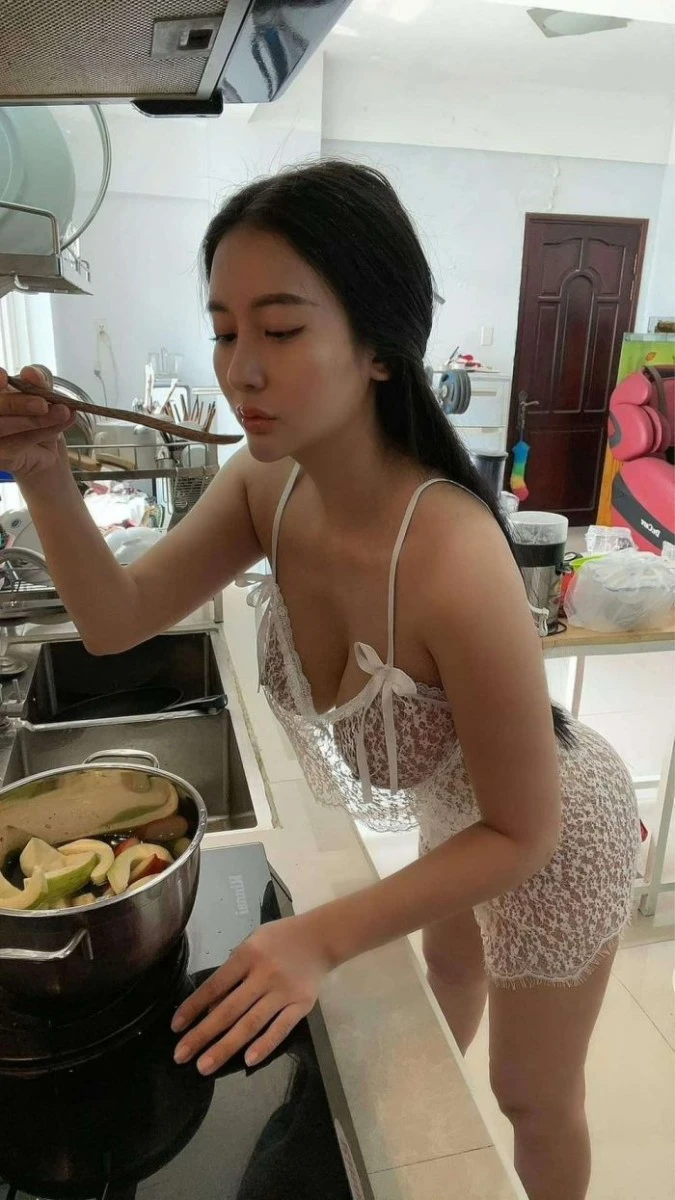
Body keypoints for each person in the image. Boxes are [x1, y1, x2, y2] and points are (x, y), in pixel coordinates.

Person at [0, 161, 638, 1200]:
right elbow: (115, 620)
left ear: (380, 348)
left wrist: (317, 938)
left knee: (531, 1095)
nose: (240, 370)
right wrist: (42, 476)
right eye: (224, 331)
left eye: (281, 330)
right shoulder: (267, 484)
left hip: (557, 832)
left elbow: (522, 833)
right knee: (442, 990)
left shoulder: (450, 555)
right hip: (458, 811)